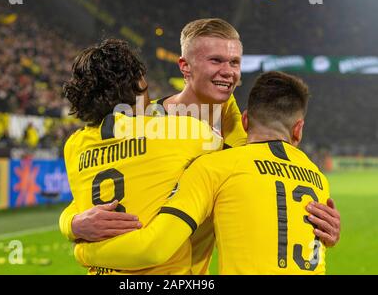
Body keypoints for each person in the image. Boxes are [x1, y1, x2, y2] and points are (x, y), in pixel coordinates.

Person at [60, 19, 341, 274]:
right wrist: (73, 223)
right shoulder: (148, 120)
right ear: (185, 66)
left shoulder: (243, 132)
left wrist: (321, 224)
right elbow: (92, 192)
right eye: (217, 60)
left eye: (234, 62)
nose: (228, 72)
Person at [61, 38, 222, 274]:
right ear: (137, 85)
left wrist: (70, 225)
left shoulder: (74, 146)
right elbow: (234, 148)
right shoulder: (182, 132)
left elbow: (77, 204)